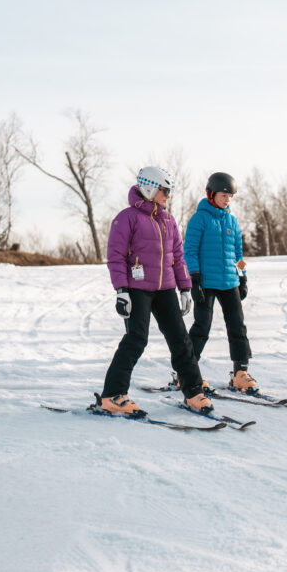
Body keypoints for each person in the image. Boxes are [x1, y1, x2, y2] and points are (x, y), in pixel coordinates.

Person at [98, 166, 212, 415]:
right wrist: (121, 290)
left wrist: (184, 288)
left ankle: (193, 392)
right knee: (136, 339)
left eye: (169, 191)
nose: (168, 196)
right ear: (149, 187)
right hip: (137, 289)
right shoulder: (126, 218)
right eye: (165, 190)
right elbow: (115, 256)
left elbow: (178, 257)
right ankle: (112, 396)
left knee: (181, 341)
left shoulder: (168, 220)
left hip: (166, 289)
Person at [183, 172, 258, 394]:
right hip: (206, 282)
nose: (227, 200)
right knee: (202, 328)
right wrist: (194, 280)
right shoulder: (199, 219)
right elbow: (190, 251)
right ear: (211, 194)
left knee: (237, 327)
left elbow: (238, 254)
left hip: (230, 282)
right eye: (224, 195)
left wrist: (243, 277)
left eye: (230, 196)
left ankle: (240, 373)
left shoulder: (232, 221)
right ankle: (186, 372)